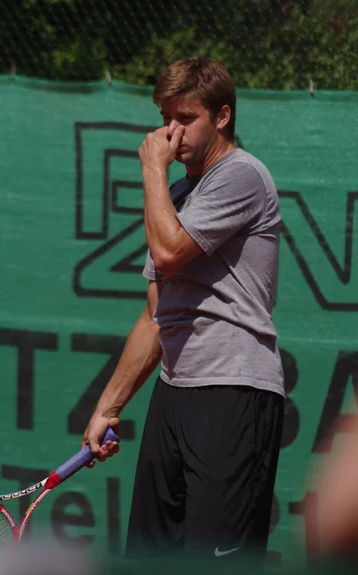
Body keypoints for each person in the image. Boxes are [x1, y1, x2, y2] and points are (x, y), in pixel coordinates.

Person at [82, 56, 285, 564]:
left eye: (185, 118)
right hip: (175, 396)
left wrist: (152, 167)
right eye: (164, 117)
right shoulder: (175, 195)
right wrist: (108, 407)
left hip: (233, 392)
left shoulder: (242, 175)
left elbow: (171, 251)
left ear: (221, 116)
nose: (170, 132)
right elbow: (157, 314)